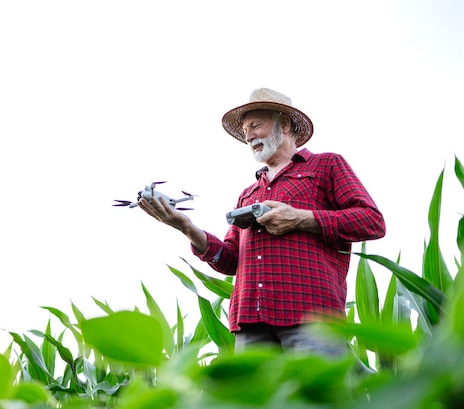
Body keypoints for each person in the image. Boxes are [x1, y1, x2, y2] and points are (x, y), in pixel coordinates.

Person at [138, 88, 386, 356]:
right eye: (245, 130)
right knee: (254, 399)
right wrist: (185, 227)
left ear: (286, 124)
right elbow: (229, 259)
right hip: (251, 321)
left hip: (313, 317)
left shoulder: (325, 165)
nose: (248, 135)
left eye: (256, 125)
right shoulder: (248, 194)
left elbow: (372, 221)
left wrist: (301, 218)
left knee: (316, 397)